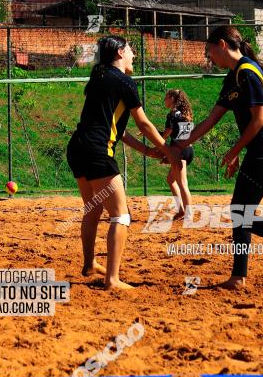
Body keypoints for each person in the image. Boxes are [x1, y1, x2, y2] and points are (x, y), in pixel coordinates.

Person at [178, 25, 263, 290]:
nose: (209, 57)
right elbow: (211, 119)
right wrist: (182, 143)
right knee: (241, 211)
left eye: (210, 51)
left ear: (222, 44)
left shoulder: (248, 73)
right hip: (262, 149)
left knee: (240, 211)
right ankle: (243, 274)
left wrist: (234, 151)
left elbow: (259, 120)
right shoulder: (233, 76)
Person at [66, 35, 180, 291]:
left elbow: (120, 130)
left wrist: (148, 151)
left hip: (78, 148)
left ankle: (89, 264)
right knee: (121, 216)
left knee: (93, 209)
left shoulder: (98, 77)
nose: (134, 56)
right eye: (131, 50)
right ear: (119, 52)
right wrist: (167, 150)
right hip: (97, 152)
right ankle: (113, 280)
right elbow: (143, 123)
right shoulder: (125, 81)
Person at [160, 89, 194, 220]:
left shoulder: (172, 114)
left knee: (182, 183)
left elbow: (167, 133)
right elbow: (182, 134)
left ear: (172, 99)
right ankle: (181, 210)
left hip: (179, 151)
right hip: (187, 150)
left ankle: (188, 214)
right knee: (171, 180)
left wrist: (158, 142)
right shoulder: (186, 114)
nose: (164, 100)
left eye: (166, 97)